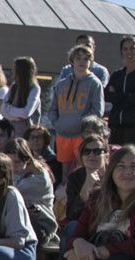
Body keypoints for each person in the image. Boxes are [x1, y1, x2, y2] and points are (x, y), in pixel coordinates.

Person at [44, 45, 105, 173]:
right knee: (65, 172)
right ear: (72, 61)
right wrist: (57, 123)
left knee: (83, 169)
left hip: (82, 135)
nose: (82, 61)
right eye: (78, 58)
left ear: (91, 62)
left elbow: (97, 110)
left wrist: (82, 125)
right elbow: (52, 108)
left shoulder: (94, 83)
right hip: (62, 134)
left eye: (86, 59)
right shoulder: (62, 84)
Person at [10, 137, 57, 246]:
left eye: (16, 162)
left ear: (27, 160)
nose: (12, 166)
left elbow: (9, 193)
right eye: (9, 162)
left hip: (41, 228)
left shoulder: (39, 179)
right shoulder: (19, 173)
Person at [1, 56, 42, 139]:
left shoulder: (34, 88)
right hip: (10, 132)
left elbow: (26, 112)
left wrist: (9, 110)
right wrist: (15, 116)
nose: (13, 72)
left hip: (27, 134)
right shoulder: (14, 86)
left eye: (16, 69)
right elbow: (2, 109)